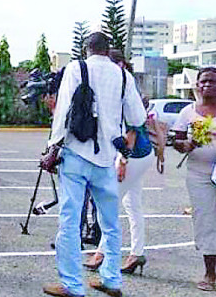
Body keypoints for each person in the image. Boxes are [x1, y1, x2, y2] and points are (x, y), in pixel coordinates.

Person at [41, 33, 146, 297]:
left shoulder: (77, 68)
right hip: (107, 158)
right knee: (110, 222)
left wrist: (52, 147)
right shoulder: (123, 76)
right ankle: (111, 279)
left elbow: (63, 111)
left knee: (70, 219)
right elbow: (137, 116)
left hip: (76, 153)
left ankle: (72, 285)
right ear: (108, 49)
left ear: (86, 49)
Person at [84, 50, 157, 275]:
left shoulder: (123, 88)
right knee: (132, 205)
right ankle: (137, 253)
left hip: (132, 155)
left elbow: (133, 127)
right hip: (141, 154)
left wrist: (123, 160)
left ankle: (102, 254)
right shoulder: (125, 87)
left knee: (110, 204)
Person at [173, 67, 216, 292]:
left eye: (212, 82)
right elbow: (177, 141)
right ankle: (209, 273)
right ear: (197, 85)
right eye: (203, 82)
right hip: (199, 174)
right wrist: (188, 144)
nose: (207, 86)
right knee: (205, 221)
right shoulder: (188, 112)